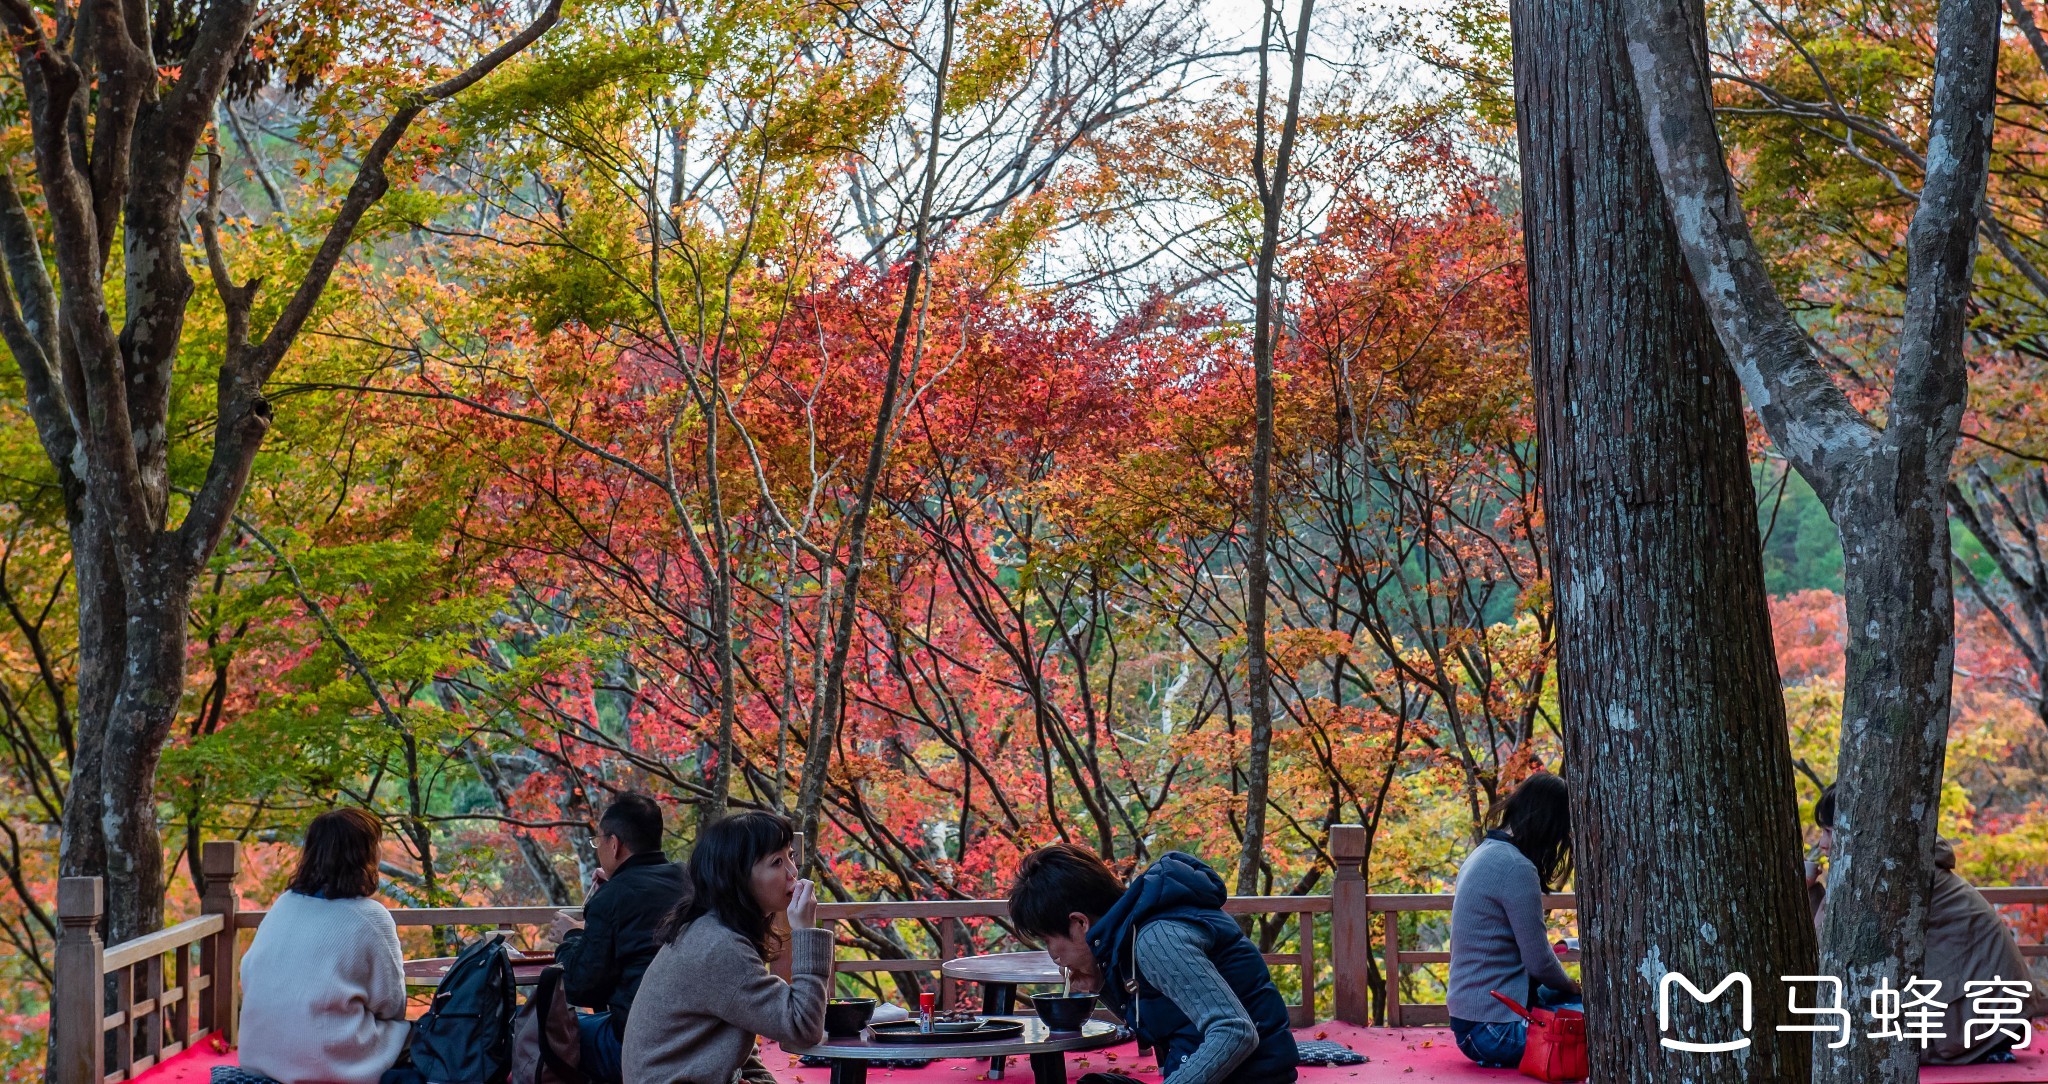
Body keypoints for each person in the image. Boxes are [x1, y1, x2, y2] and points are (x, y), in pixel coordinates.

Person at [1006, 844, 1299, 1084]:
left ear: (1079, 923)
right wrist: (1100, 982)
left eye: (1047, 939)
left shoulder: (1157, 939)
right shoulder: (1133, 935)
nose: (1052, 953)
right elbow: (1161, 1017)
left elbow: (1235, 1031)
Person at [1806, 784, 2048, 1065]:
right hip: (1991, 1007)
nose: (1822, 844)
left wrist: (1807, 888)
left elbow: (1834, 940)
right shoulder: (1905, 859)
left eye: (1829, 833)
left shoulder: (1894, 873)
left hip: (1986, 1014)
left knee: (1866, 1053)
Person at [622, 811, 829, 1084]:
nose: (793, 872)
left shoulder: (712, 929)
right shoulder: (718, 946)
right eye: (777, 862)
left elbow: (735, 1044)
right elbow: (803, 1027)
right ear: (738, 877)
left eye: (791, 856)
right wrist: (806, 932)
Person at [238, 808, 411, 1084]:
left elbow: (247, 973)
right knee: (414, 1035)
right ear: (363, 855)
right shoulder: (371, 917)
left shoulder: (284, 904)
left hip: (258, 1057)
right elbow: (391, 1005)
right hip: (328, 1064)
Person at [550, 793, 690, 1083]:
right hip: (697, 1040)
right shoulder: (691, 881)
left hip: (638, 1046)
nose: (597, 847)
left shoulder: (612, 898)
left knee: (546, 1031)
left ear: (614, 844)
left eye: (598, 840)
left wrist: (572, 936)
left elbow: (582, 988)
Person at [1447, 771, 1582, 1069]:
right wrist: (1574, 986)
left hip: (1470, 1023)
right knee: (1593, 1032)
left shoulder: (1483, 852)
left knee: (1568, 1003)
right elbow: (1539, 962)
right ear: (1549, 825)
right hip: (1493, 1029)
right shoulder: (1515, 867)